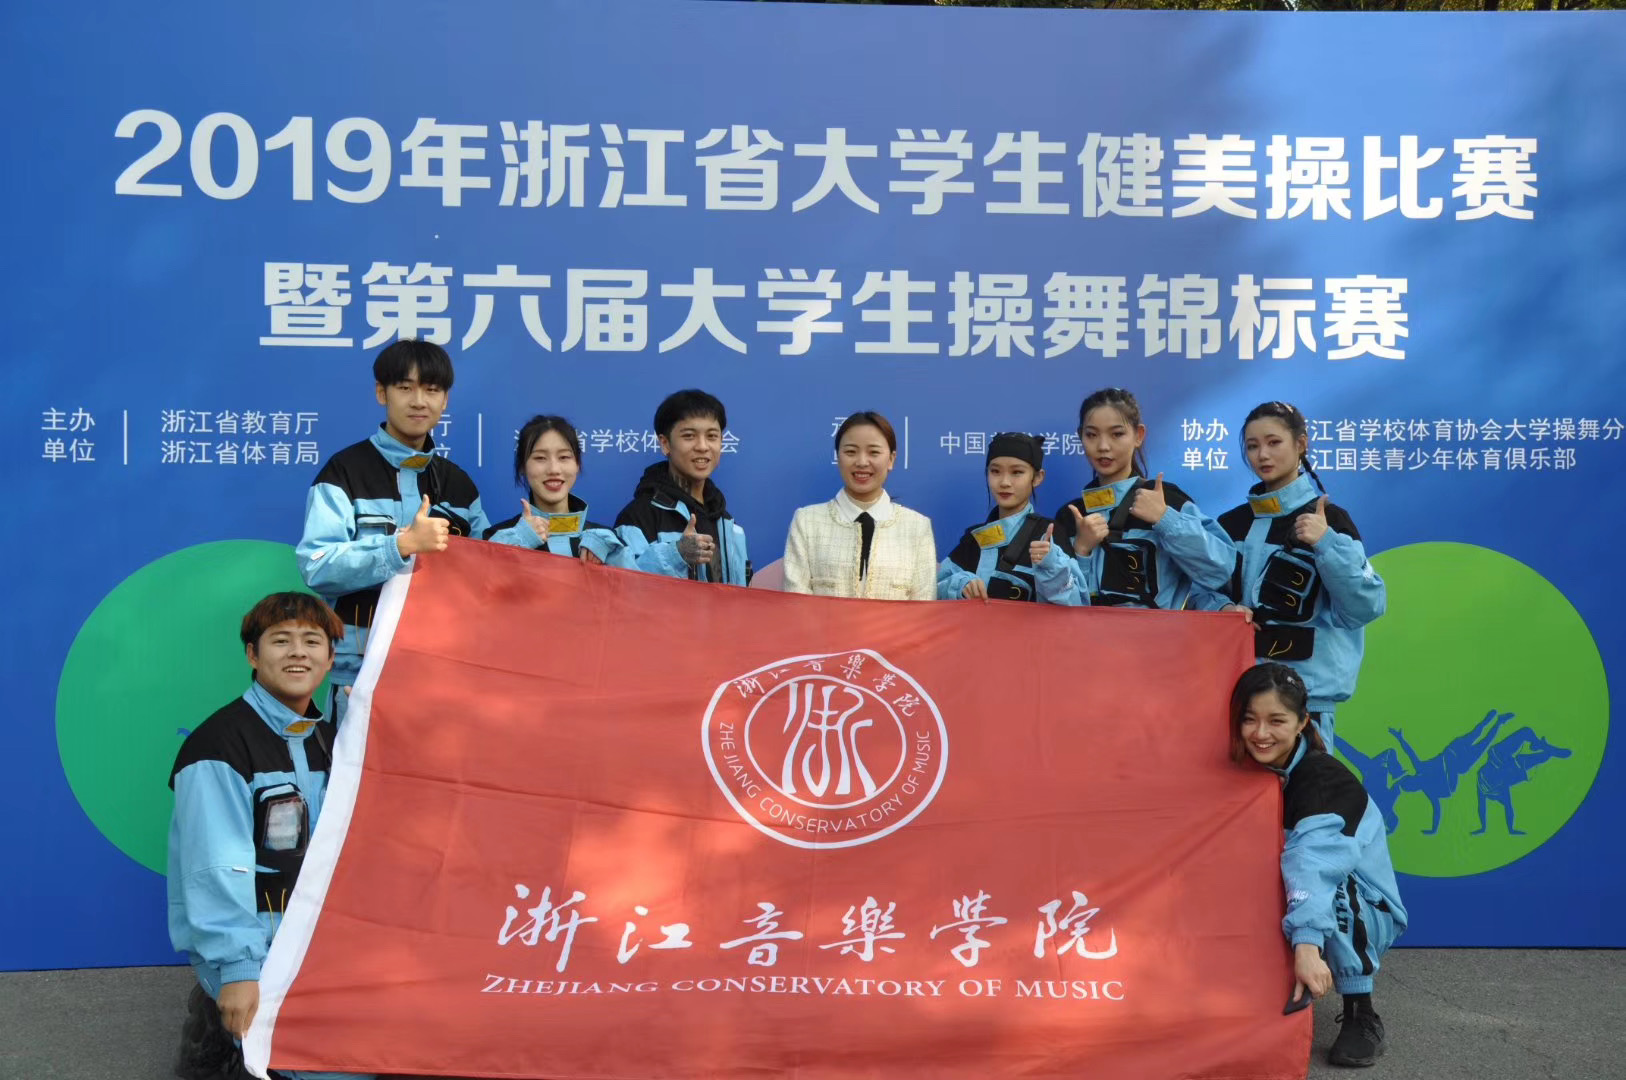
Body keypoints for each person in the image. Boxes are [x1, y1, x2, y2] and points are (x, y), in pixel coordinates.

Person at [168, 593, 374, 1080]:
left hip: (319, 945)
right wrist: (238, 972)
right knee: (326, 1070)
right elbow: (217, 869)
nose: (298, 652)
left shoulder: (329, 739)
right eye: (281, 641)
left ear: (331, 658)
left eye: (312, 642)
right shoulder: (219, 746)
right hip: (257, 953)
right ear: (252, 655)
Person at [296, 340, 487, 722]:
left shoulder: (459, 484)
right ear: (381, 393)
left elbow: (485, 575)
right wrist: (400, 546)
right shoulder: (344, 472)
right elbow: (317, 565)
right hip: (360, 674)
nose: (419, 401)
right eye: (405, 387)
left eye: (431, 389)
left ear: (445, 400)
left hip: (441, 671)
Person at [1232, 663, 1407, 1070]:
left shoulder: (1321, 778)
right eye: (1249, 719)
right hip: (1297, 889)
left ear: (1302, 723)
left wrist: (1307, 946)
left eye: (1276, 720)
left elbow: (1314, 866)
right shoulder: (1244, 770)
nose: (1260, 733)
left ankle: (1361, 1011)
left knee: (1333, 884)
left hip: (1363, 904)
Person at [1197, 401, 1387, 745]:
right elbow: (1200, 592)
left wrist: (1325, 542)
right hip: (1241, 701)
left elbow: (1365, 606)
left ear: (1301, 444)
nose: (1262, 455)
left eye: (1274, 442)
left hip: (1306, 707)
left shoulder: (1331, 521)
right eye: (1252, 446)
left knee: (1310, 783)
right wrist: (1222, 609)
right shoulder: (1230, 524)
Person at [1049, 387, 1234, 609]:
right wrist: (1081, 551)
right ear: (1080, 436)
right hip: (1086, 632)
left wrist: (1165, 519)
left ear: (1138, 435)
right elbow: (1058, 601)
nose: (1103, 446)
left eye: (1117, 434)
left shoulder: (1167, 500)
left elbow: (1220, 571)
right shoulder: (1069, 515)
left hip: (1159, 632)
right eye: (1091, 435)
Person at [783, 411, 935, 599]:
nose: (862, 462)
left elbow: (923, 606)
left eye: (874, 452)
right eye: (851, 452)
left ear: (891, 459)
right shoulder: (807, 522)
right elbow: (796, 600)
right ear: (838, 456)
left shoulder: (917, 527)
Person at [614, 389, 749, 585]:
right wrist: (676, 554)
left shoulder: (728, 524)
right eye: (689, 436)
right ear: (665, 444)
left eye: (712, 436)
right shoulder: (638, 517)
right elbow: (624, 583)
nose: (702, 446)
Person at [937, 432, 1083, 605]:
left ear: (1037, 477)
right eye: (995, 471)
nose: (1004, 482)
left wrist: (1052, 566)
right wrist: (961, 585)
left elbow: (1077, 604)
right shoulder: (975, 538)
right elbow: (935, 587)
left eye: (1017, 472)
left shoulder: (1050, 535)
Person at [484, 414, 628, 565]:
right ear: (522, 467)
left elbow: (634, 579)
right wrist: (519, 540)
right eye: (540, 458)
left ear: (577, 464)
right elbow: (482, 575)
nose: (554, 469)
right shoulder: (495, 537)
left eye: (564, 457)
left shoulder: (606, 542)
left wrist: (616, 555)